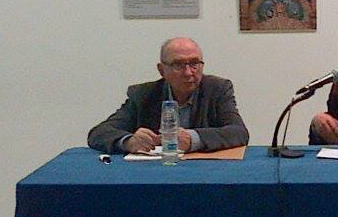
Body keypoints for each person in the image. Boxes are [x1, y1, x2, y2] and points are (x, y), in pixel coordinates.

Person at [88, 37, 249, 154]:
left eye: (194, 63)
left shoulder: (217, 89)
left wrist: (193, 139)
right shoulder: (143, 94)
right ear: (161, 70)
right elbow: (99, 133)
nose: (188, 72)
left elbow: (239, 132)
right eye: (178, 65)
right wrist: (128, 141)